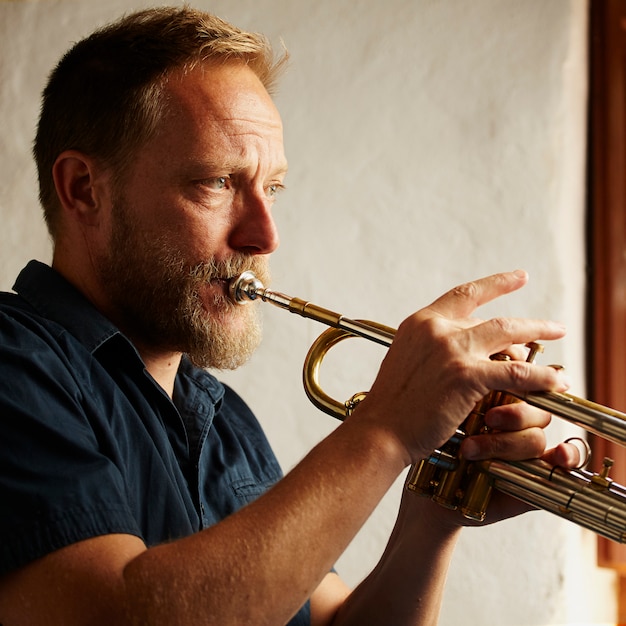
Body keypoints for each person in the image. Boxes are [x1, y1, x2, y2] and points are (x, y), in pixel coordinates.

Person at [0, 6, 578, 625]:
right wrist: (386, 429)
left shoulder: (227, 422)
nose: (265, 235)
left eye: (271, 188)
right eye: (218, 182)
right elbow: (116, 614)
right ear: (84, 188)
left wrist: (438, 508)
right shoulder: (15, 362)